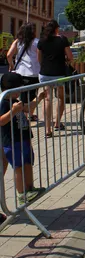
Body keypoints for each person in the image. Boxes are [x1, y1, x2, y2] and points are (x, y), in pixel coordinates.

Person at [0, 72, 45, 205]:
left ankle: (30, 188)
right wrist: (12, 111)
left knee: (28, 162)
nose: (19, 92)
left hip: (23, 137)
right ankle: (21, 194)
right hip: (12, 141)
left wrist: (39, 98)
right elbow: (1, 121)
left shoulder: (15, 101)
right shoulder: (4, 102)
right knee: (18, 167)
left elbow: (28, 108)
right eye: (18, 89)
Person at [37, 20, 73, 138]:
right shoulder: (62, 39)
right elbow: (70, 57)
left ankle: (48, 129)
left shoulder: (41, 40)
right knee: (61, 98)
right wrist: (65, 60)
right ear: (56, 28)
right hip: (59, 73)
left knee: (48, 99)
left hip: (45, 73)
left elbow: (39, 58)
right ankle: (57, 123)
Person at [7, 24, 41, 118]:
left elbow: (9, 55)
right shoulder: (37, 42)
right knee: (32, 97)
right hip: (33, 73)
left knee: (23, 97)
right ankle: (27, 116)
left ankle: (25, 115)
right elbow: (40, 58)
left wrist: (12, 65)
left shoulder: (18, 41)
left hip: (20, 73)